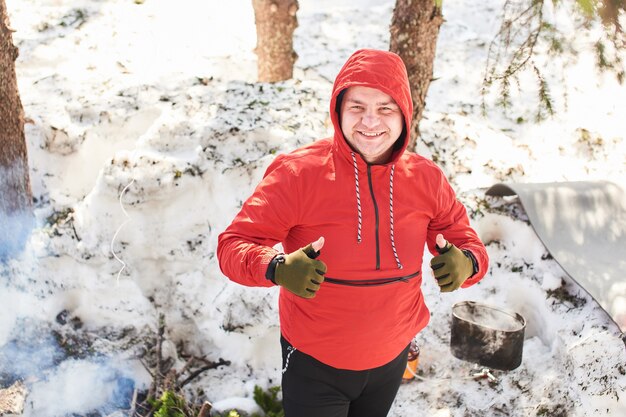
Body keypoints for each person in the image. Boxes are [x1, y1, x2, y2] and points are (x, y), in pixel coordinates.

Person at [217, 48, 489, 417]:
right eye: (357, 107)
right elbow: (232, 246)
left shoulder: (426, 179)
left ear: (404, 114)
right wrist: (277, 267)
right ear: (338, 110)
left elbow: (468, 243)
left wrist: (467, 263)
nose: (370, 121)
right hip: (315, 366)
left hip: (390, 361)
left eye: (385, 108)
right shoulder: (298, 175)